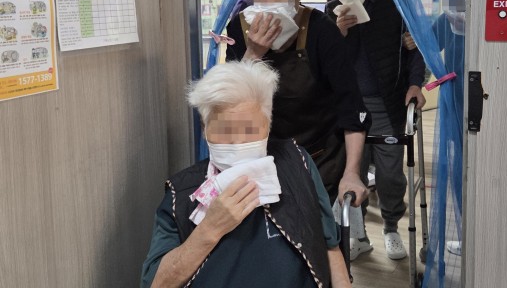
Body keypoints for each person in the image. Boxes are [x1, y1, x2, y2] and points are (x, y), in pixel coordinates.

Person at [141, 61, 351, 288]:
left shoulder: (297, 162)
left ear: (268, 126)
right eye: (225, 131)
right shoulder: (181, 194)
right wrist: (210, 228)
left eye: (250, 130)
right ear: (204, 129)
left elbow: (330, 246)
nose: (238, 143)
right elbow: (156, 284)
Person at [226, 0, 371, 207]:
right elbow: (230, 104)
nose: (267, 4)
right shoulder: (239, 28)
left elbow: (352, 108)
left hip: (319, 162)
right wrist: (253, 54)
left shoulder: (322, 31)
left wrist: (352, 173)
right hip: (260, 161)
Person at [322, 0, 426, 261]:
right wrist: (338, 32)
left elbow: (417, 46)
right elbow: (328, 60)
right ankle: (359, 235)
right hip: (349, 103)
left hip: (388, 100)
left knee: (390, 174)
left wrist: (415, 83)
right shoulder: (333, 7)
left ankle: (392, 228)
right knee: (351, 171)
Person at [433, 0, 468, 257]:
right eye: (453, 2)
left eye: (462, 2)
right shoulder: (447, 21)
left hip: (483, 104)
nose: (457, 10)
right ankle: (467, 231)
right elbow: (426, 44)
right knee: (459, 168)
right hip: (455, 104)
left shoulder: (486, 22)